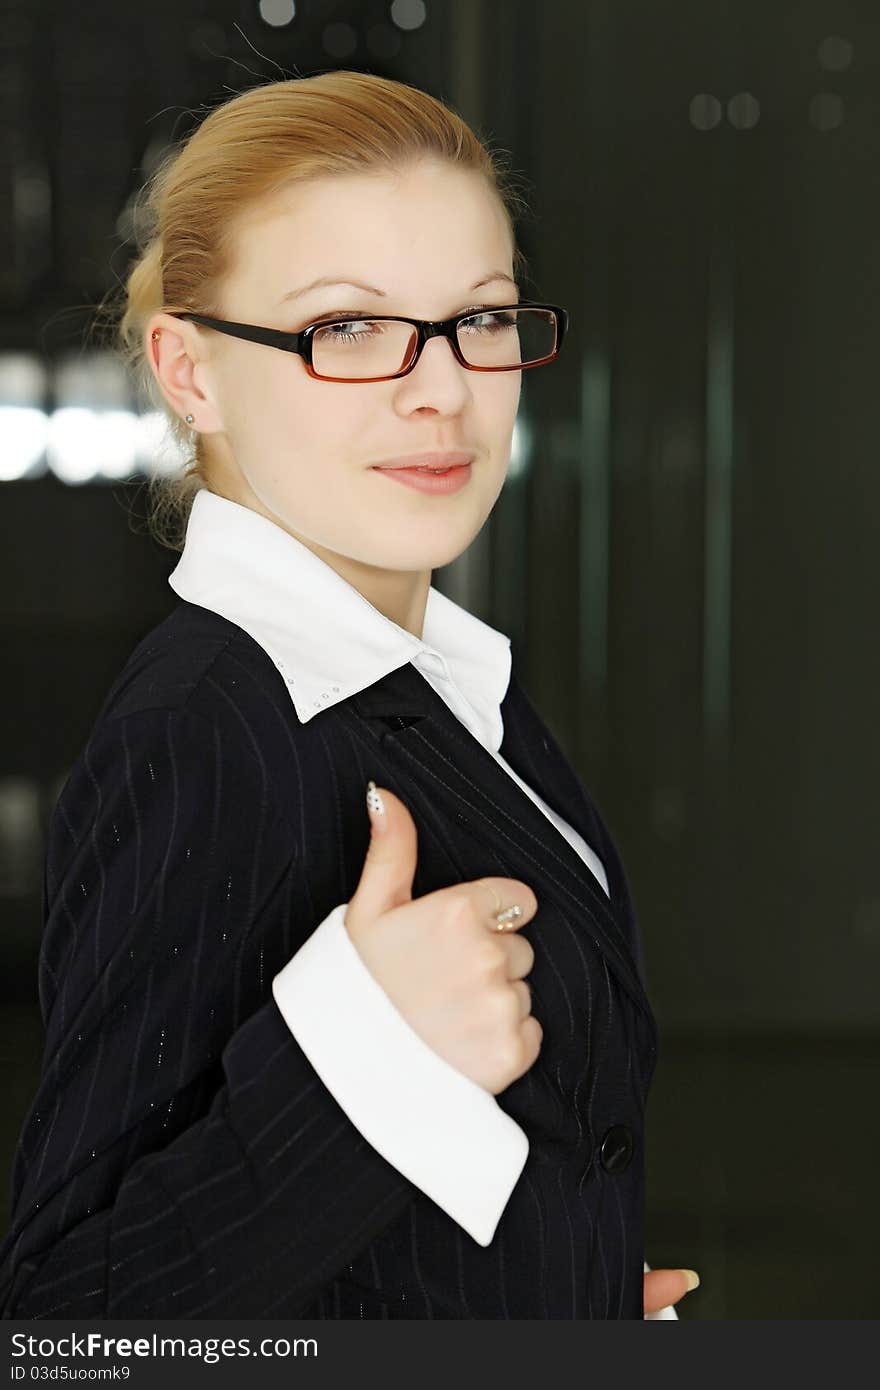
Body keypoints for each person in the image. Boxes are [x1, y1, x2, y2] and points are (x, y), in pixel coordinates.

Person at [0, 70, 698, 1319]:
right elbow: (70, 1327)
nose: (441, 389)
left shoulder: (447, 684)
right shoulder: (210, 735)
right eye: (348, 329)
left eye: (480, 319)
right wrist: (370, 1067)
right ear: (192, 371)